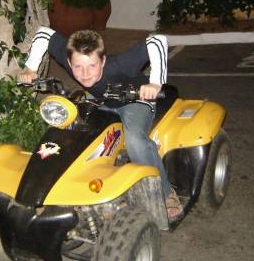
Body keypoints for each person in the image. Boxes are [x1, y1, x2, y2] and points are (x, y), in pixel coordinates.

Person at [18, 26, 183, 222]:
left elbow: (158, 40)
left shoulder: (119, 65)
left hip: (135, 100)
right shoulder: (71, 55)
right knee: (69, 132)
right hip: (100, 100)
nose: (85, 73)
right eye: (77, 67)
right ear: (69, 62)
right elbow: (44, 33)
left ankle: (166, 193)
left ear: (103, 61)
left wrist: (155, 83)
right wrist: (30, 68)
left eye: (92, 66)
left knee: (135, 140)